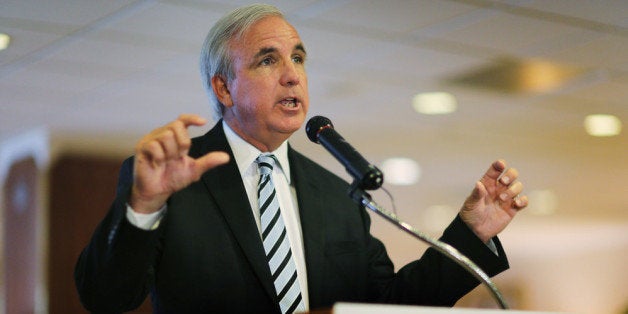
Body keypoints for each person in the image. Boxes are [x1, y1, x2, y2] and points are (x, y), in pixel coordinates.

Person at [74, 4, 528, 314]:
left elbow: (388, 303)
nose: (292, 75)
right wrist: (144, 207)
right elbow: (105, 296)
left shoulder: (336, 196)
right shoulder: (170, 179)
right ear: (224, 88)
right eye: (267, 61)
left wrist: (471, 235)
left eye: (298, 57)